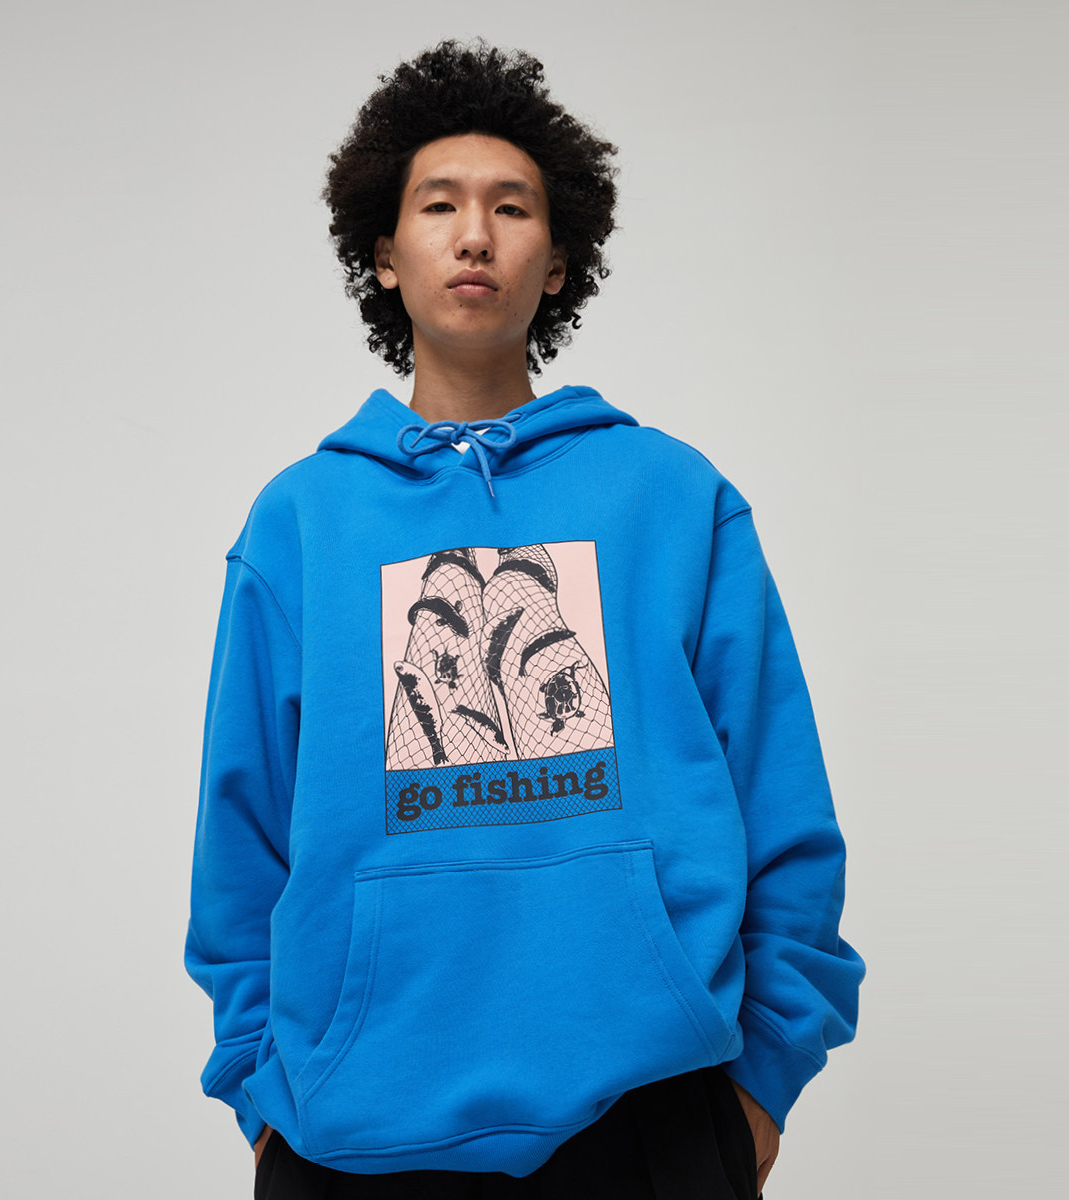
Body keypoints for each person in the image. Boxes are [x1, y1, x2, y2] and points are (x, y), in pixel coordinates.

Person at [185, 39, 865, 1200]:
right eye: (438, 204)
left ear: (558, 263)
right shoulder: (300, 522)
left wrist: (761, 1082)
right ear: (384, 255)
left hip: (652, 1118)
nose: (475, 235)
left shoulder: (671, 497)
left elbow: (781, 802)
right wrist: (255, 1084)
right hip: (351, 1133)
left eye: (512, 207)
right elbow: (240, 836)